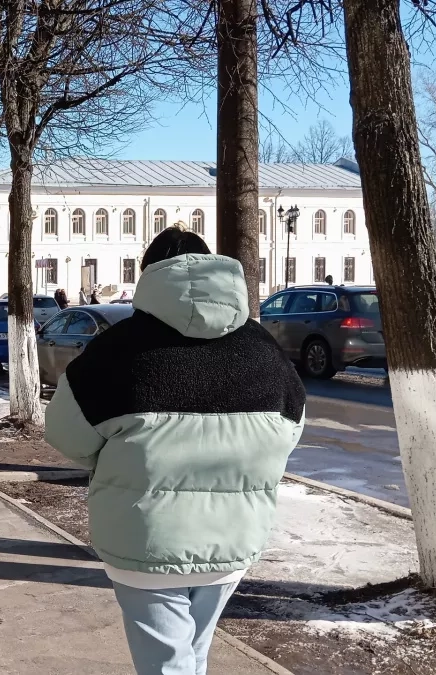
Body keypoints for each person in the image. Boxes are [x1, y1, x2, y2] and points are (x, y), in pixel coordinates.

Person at [45, 227, 305, 675]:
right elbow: (291, 431)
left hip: (144, 538)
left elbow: (66, 435)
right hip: (233, 537)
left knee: (168, 666)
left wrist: (116, 457)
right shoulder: (264, 348)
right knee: (191, 657)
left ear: (149, 274)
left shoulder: (116, 349)